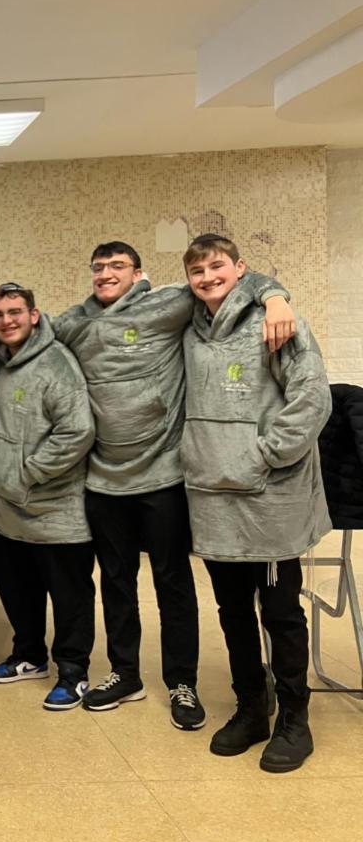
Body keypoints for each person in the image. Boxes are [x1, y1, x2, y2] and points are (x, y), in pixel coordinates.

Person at [0, 241, 295, 729]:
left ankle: (181, 681)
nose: (106, 273)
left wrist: (276, 297)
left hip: (163, 475)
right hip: (104, 480)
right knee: (116, 583)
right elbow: (23, 328)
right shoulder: (77, 320)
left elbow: (229, 285)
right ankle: (125, 673)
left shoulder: (169, 303)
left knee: (172, 584)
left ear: (138, 273)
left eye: (117, 266)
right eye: (98, 267)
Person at [180, 233, 330, 772]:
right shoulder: (189, 328)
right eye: (197, 271)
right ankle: (251, 706)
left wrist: (262, 455)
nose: (207, 278)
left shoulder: (277, 321)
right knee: (232, 610)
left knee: (281, 612)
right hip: (211, 497)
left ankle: (295, 719)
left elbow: (312, 399)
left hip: (267, 498)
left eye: (217, 266)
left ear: (241, 268)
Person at [0, 283, 97, 711]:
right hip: (4, 509)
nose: (6, 321)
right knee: (18, 589)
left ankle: (73, 671)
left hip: (55, 508)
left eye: (15, 312)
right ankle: (29, 655)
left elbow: (77, 432)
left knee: (69, 596)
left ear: (34, 315)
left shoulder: (57, 364)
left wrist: (27, 473)